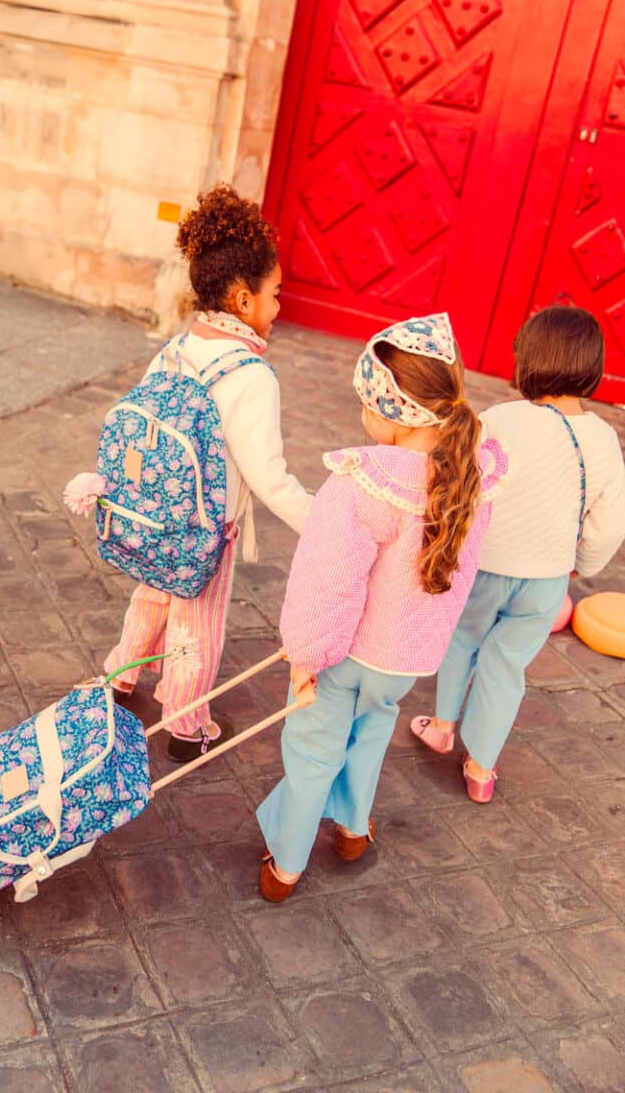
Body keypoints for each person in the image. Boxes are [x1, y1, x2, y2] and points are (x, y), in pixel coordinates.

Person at [256, 313, 508, 901]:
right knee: (370, 734)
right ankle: (351, 829)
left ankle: (286, 863)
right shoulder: (473, 473)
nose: (362, 415)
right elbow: (462, 569)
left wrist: (306, 655)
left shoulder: (362, 483)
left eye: (366, 403)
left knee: (314, 747)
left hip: (346, 656)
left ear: (395, 413)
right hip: (405, 659)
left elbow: (328, 580)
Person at [104, 183, 311, 763]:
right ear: (243, 300)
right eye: (274, 295)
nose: (279, 307)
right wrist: (325, 521)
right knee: (197, 623)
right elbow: (269, 478)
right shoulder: (252, 377)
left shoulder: (174, 350)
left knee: (152, 597)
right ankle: (186, 723)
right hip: (206, 528)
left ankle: (119, 680)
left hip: (154, 512)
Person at [412, 306, 625, 801]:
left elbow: (460, 487)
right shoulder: (603, 438)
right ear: (593, 367)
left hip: (485, 565)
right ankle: (481, 769)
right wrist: (582, 566)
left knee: (463, 638)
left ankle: (442, 726)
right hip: (547, 580)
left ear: (526, 359)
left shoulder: (499, 419)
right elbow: (611, 522)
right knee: (506, 664)